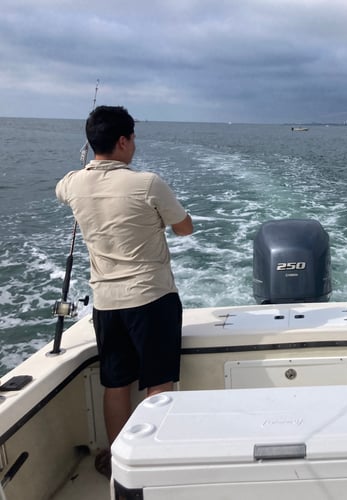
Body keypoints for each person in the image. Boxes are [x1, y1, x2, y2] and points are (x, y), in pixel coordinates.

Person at [55, 105, 193, 478]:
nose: (134, 145)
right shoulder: (147, 183)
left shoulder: (72, 183)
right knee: (158, 382)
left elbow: (63, 188)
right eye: (132, 138)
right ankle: (151, 459)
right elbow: (185, 228)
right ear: (122, 141)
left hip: (106, 304)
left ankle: (118, 458)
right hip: (152, 299)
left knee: (116, 383)